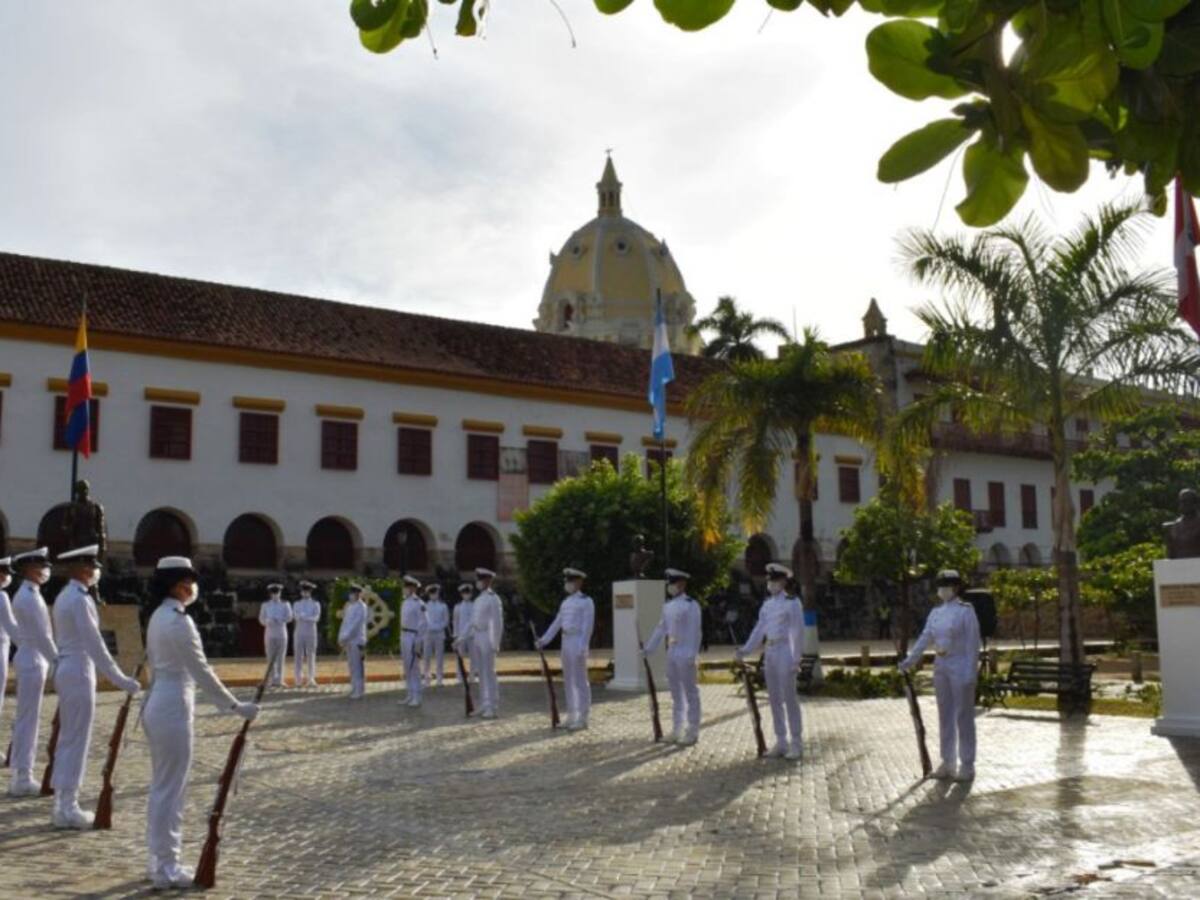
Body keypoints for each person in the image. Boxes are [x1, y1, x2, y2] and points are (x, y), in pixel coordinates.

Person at [141, 556, 258, 888]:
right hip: (172, 705)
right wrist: (235, 706)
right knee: (171, 789)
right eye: (191, 582)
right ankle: (167, 866)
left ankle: (157, 860)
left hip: (159, 701)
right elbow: (201, 670)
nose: (195, 588)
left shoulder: (159, 615)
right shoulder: (179, 621)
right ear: (180, 585)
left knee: (162, 787)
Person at [49, 545, 140, 829]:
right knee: (76, 739)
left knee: (69, 737)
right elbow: (95, 644)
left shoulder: (66, 595)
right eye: (94, 566)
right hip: (78, 667)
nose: (97, 572)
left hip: (68, 666)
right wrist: (120, 678)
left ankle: (63, 803)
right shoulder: (79, 600)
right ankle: (68, 806)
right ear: (84, 569)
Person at [898, 569, 981, 782]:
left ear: (955, 588)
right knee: (945, 715)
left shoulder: (965, 611)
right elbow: (925, 638)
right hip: (941, 664)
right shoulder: (936, 612)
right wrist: (909, 661)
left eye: (947, 586)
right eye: (940, 586)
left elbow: (973, 644)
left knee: (963, 716)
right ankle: (948, 761)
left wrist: (971, 672)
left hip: (960, 663)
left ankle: (967, 764)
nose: (942, 590)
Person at [736, 563, 804, 761]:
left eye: (775, 581)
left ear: (783, 582)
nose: (771, 584)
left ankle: (796, 742)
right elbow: (759, 630)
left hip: (785, 651)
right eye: (770, 581)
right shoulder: (767, 605)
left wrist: (795, 659)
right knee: (774, 698)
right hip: (770, 651)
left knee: (789, 698)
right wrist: (746, 650)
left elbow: (797, 633)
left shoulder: (792, 603)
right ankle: (781, 741)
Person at [8, 547, 57, 796]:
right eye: (42, 566)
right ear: (30, 569)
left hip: (31, 658)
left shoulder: (28, 593)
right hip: (33, 659)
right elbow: (43, 636)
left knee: (27, 717)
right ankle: (22, 775)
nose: (46, 571)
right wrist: (59, 663)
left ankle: (20, 772)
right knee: (29, 720)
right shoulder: (29, 596)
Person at [642, 568, 703, 745]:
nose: (671, 587)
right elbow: (661, 628)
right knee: (675, 693)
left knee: (691, 692)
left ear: (682, 584)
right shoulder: (667, 606)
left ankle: (692, 730)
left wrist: (693, 654)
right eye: (670, 583)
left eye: (673, 583)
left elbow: (695, 632)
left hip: (685, 651)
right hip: (672, 651)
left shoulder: (691, 605)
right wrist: (649, 648)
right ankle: (677, 729)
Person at [534, 568, 595, 731]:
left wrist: (583, 646)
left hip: (577, 641)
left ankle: (583, 717)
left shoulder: (586, 601)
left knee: (580, 680)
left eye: (571, 581)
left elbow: (587, 626)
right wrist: (544, 640)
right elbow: (557, 623)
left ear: (579, 582)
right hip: (566, 640)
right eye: (567, 581)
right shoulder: (566, 602)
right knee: (568, 680)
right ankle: (572, 714)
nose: (568, 584)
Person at [456, 567, 503, 719]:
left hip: (487, 637)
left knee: (489, 672)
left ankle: (493, 706)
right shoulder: (478, 599)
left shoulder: (493, 598)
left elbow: (497, 622)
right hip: (477, 636)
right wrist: (461, 637)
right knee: (481, 673)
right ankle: (484, 703)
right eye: (478, 580)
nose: (478, 582)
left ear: (488, 581)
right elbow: (471, 622)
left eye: (480, 580)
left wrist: (495, 642)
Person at [258, 583, 292, 688]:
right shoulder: (265, 605)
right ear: (270, 594)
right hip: (270, 633)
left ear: (280, 593)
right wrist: (268, 621)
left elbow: (290, 617)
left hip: (281, 632)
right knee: (270, 657)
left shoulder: (285, 604)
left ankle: (280, 680)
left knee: (281, 658)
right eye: (273, 593)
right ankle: (271, 679)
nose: (275, 595)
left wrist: (280, 620)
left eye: (277, 593)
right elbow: (261, 619)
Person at [399, 575, 426, 707]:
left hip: (413, 636)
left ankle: (417, 695)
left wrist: (418, 642)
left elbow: (423, 624)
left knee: (414, 667)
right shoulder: (405, 602)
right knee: (406, 666)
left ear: (413, 588)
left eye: (407, 587)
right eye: (404, 587)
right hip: (404, 635)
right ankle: (410, 693)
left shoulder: (419, 604)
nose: (405, 589)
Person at [338, 584, 368, 699]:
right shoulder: (350, 606)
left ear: (358, 594)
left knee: (357, 665)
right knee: (351, 664)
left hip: (357, 640)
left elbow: (356, 624)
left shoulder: (362, 607)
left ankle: (360, 689)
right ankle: (354, 687)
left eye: (353, 593)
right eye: (350, 593)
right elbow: (345, 623)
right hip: (348, 639)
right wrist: (341, 637)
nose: (351, 596)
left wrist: (346, 636)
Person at [0, 557, 18, 735]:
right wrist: (29, 644)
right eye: (4, 574)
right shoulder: (2, 596)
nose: (7, 577)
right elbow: (12, 627)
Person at [292, 581, 321, 688]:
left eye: (307, 591)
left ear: (310, 592)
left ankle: (311, 678)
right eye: (303, 591)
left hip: (311, 631)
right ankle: (298, 679)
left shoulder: (315, 604)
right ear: (301, 592)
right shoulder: (296, 604)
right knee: (298, 656)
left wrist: (304, 617)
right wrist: (307, 617)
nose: (305, 593)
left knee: (311, 655)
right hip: (299, 631)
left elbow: (316, 618)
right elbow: (295, 616)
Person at [422, 584, 449, 687]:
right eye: (432, 593)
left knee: (439, 657)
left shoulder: (443, 606)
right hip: (428, 633)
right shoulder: (425, 606)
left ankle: (439, 679)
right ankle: (427, 678)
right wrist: (429, 626)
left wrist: (437, 627)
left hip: (439, 633)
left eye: (436, 593)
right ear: (429, 594)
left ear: (438, 593)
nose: (434, 595)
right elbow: (423, 620)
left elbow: (446, 620)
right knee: (427, 656)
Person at [452, 583, 478, 687]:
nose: (466, 595)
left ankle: (472, 676)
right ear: (461, 594)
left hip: (472, 635)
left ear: (471, 594)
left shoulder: (475, 605)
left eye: (468, 593)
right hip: (460, 635)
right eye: (464, 593)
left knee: (473, 657)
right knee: (460, 657)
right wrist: (455, 635)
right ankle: (460, 676)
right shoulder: (458, 607)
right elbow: (455, 621)